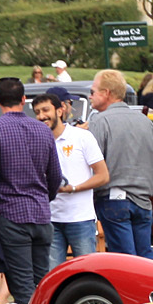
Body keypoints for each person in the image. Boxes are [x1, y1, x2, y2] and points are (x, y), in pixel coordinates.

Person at [0, 76, 56, 304]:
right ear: (24, 100)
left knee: (23, 287)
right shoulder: (43, 129)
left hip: (12, 215)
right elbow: (54, 176)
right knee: (43, 284)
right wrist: (44, 199)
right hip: (41, 214)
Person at [87, 69, 153, 259]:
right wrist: (146, 185)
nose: (90, 97)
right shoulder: (145, 121)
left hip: (113, 199)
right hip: (143, 200)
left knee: (125, 262)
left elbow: (92, 164)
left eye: (93, 92)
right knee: (145, 258)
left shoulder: (99, 121)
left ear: (106, 93)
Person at [36, 91, 107, 267]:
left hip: (80, 219)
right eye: (37, 112)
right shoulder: (37, 141)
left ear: (59, 111)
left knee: (87, 272)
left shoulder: (82, 137)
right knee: (52, 276)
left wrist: (73, 188)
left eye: (46, 110)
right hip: (50, 218)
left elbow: (103, 175)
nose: (41, 116)